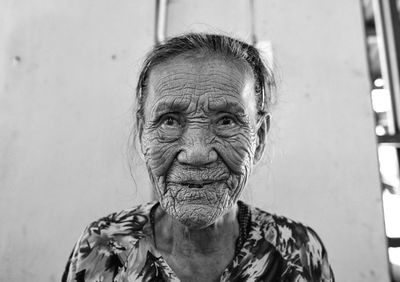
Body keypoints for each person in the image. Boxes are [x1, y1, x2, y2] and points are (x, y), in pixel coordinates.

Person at [62, 33, 334, 282]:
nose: (197, 153)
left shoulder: (298, 253)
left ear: (259, 138)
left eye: (226, 121)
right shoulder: (102, 248)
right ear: (143, 134)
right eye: (169, 121)